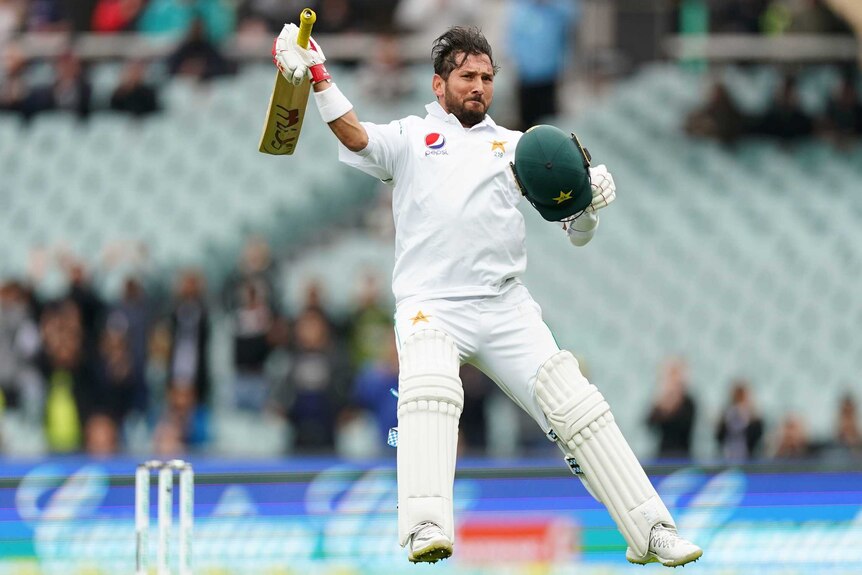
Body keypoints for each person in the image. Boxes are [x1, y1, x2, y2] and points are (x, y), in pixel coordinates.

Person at [273, 24, 702, 567]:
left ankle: (651, 530)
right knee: (429, 387)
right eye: (467, 76)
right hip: (432, 304)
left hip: (504, 306)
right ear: (439, 84)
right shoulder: (410, 137)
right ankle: (425, 522)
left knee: (577, 406)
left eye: (486, 77)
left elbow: (575, 233)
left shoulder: (520, 148)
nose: (478, 86)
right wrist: (317, 75)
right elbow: (354, 134)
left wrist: (588, 207)